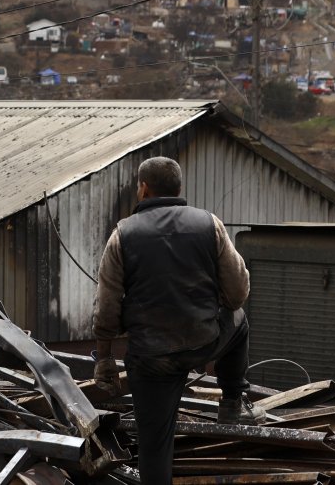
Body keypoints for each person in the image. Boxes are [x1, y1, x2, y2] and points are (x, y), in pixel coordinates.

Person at [92, 156, 265, 485]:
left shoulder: (123, 234)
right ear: (179, 188)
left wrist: (104, 358)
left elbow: (107, 306)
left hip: (151, 359)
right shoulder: (209, 224)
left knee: (155, 450)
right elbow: (238, 292)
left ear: (143, 188)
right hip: (203, 343)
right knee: (238, 319)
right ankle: (232, 401)